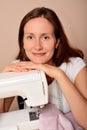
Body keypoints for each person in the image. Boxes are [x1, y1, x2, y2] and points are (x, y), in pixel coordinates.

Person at [0, 7, 87, 129]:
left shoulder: (76, 67)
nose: (37, 46)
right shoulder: (18, 69)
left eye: (45, 37)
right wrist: (3, 82)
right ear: (22, 42)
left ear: (57, 42)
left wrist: (59, 75)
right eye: (30, 37)